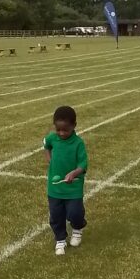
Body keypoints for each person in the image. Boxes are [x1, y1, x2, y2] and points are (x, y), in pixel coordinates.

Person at [43, 105, 89, 256]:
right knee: (56, 215)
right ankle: (60, 239)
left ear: (74, 126)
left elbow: (83, 164)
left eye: (65, 130)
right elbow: (46, 145)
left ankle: (77, 228)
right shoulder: (52, 138)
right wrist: (49, 158)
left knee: (75, 212)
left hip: (73, 187)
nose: (61, 133)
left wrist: (74, 173)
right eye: (58, 130)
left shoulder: (78, 143)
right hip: (55, 187)